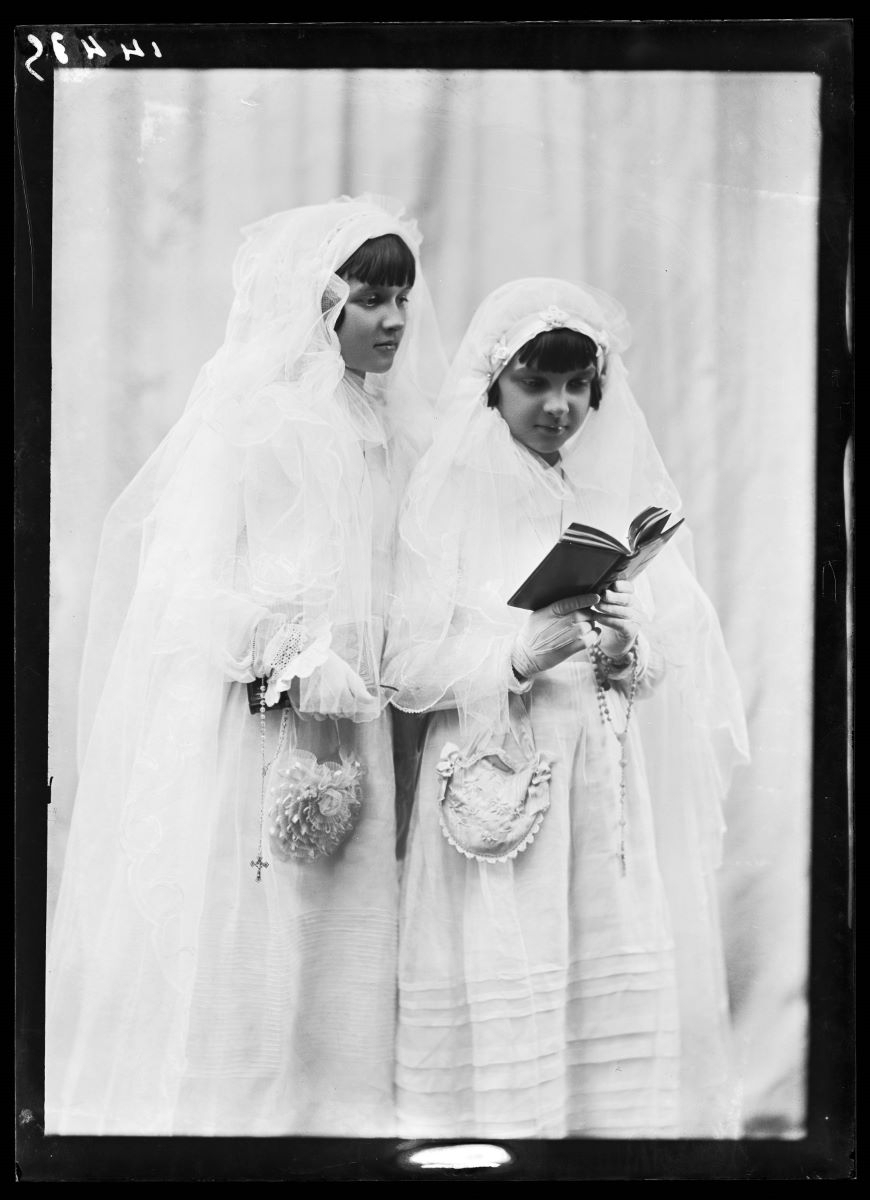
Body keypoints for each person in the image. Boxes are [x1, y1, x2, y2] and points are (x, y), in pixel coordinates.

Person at [45, 194, 446, 1136]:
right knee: (255, 964)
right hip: (259, 735)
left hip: (359, 734)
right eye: (369, 297)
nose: (393, 321)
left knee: (343, 971)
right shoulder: (249, 420)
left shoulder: (398, 431)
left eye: (403, 298)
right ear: (318, 303)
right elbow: (185, 592)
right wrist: (294, 657)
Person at [383, 277, 750, 1139]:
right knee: (510, 991)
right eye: (535, 384)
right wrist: (512, 656)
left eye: (578, 385)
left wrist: (628, 648)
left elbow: (662, 658)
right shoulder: (447, 501)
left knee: (600, 996)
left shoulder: (605, 502)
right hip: (496, 785)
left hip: (600, 790)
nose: (559, 407)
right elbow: (404, 666)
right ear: (493, 387)